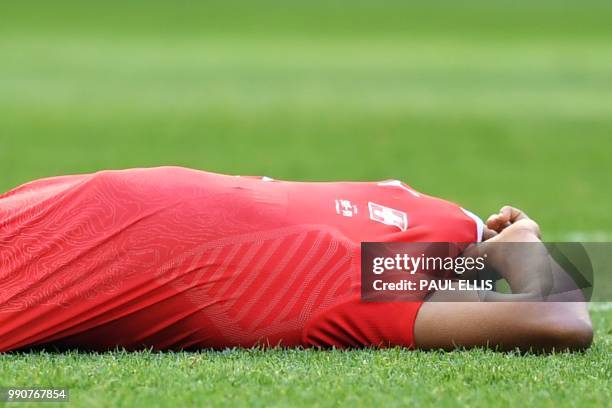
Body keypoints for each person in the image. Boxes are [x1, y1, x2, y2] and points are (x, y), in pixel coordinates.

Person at [0, 167, 592, 352]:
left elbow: (556, 317)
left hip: (80, 203)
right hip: (99, 236)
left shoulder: (403, 217)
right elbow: (561, 320)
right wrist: (526, 249)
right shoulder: (376, 268)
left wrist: (517, 250)